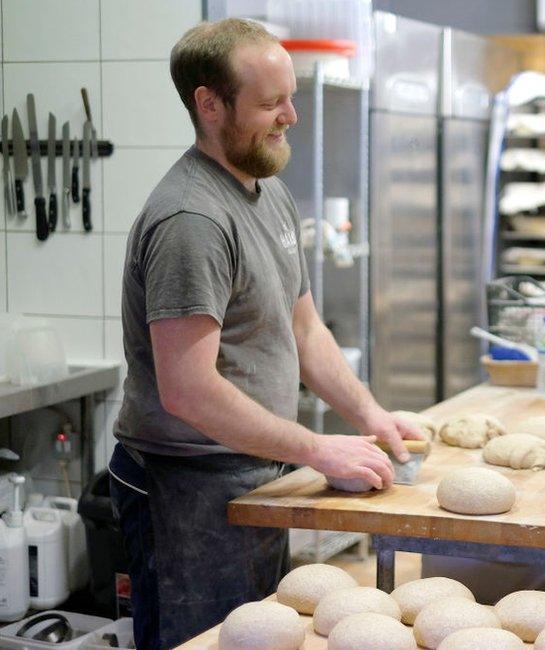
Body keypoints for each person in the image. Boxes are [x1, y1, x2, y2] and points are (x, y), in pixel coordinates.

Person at [108, 18, 424, 649]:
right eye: (271, 102)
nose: (292, 116)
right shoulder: (191, 220)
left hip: (253, 475)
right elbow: (188, 391)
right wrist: (317, 447)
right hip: (187, 493)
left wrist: (368, 414)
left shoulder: (268, 192)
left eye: (292, 96)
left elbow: (302, 326)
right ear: (210, 104)